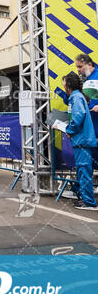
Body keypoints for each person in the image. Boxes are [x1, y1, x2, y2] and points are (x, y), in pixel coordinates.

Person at [63, 72, 98, 210]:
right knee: (83, 170)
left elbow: (78, 117)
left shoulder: (76, 97)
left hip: (82, 140)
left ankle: (89, 202)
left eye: (64, 83)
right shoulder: (76, 97)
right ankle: (86, 199)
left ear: (68, 85)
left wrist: (69, 130)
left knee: (84, 170)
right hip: (82, 140)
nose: (63, 85)